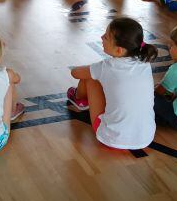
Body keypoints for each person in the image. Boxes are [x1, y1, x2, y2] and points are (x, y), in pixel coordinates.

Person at [66, 18, 158, 150]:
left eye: (106, 37)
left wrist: (90, 68)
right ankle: (80, 98)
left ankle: (79, 99)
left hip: (111, 137)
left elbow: (75, 73)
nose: (101, 37)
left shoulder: (107, 67)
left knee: (91, 78)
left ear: (119, 50)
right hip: (146, 137)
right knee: (101, 78)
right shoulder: (145, 63)